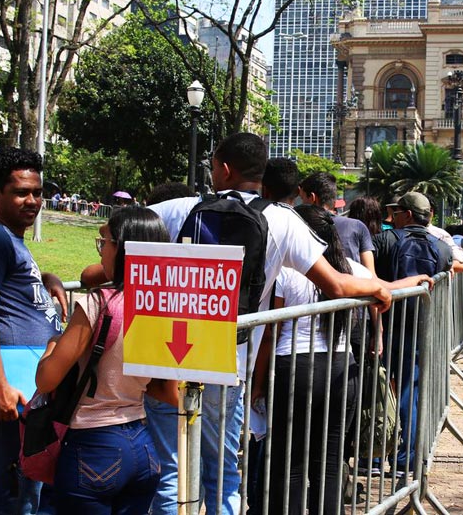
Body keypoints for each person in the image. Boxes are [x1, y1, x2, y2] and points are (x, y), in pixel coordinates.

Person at [147, 133, 391, 515]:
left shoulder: (178, 208)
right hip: (228, 360)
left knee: (170, 471)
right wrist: (378, 287)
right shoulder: (283, 220)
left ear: (224, 169)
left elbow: (121, 235)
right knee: (222, 473)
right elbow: (337, 284)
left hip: (165, 356)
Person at [254, 205, 428, 514]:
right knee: (330, 460)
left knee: (289, 460)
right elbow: (383, 288)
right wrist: (417, 281)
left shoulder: (287, 271)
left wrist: (256, 384)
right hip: (340, 369)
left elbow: (271, 332)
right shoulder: (352, 270)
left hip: (294, 368)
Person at [35, 207, 167, 513]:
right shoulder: (161, 307)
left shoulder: (97, 303)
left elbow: (46, 379)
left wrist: (52, 345)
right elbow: (165, 389)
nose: (101, 252)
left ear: (123, 248)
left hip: (93, 446)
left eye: (103, 243)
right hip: (143, 446)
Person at [0, 147, 68, 515]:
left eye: (37, 192)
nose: (33, 201)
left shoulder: (12, 240)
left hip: (34, 390)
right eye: (21, 192)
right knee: (16, 497)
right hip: (14, 393)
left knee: (33, 493)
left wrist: (47, 278)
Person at [372, 191, 452, 473]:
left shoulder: (384, 240)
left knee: (378, 390)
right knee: (410, 391)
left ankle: (373, 456)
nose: (391, 218)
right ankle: (407, 459)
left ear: (406, 215)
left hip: (384, 323)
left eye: (395, 213)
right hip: (420, 327)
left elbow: (369, 277)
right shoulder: (441, 248)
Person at [299, 172, 376, 274]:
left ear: (313, 198)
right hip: (352, 286)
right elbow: (371, 275)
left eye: (302, 198)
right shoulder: (357, 226)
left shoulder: (298, 227)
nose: (302, 203)